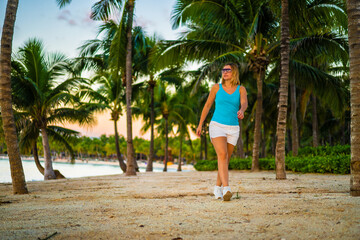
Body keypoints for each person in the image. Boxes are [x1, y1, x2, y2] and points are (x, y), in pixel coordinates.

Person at [196, 63, 248, 201]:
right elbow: (207, 105)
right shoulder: (216, 88)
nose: (225, 72)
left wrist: (242, 110)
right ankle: (226, 188)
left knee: (224, 159)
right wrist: (200, 124)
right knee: (223, 155)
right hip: (217, 125)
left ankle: (217, 188)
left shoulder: (241, 89)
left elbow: (244, 103)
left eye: (228, 70)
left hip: (233, 128)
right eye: (223, 70)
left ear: (234, 72)